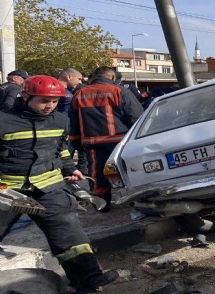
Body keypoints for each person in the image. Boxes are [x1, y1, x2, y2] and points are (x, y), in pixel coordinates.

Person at [0, 75, 118, 292]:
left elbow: (61, 150)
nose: (50, 106)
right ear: (26, 96)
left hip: (49, 188)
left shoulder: (60, 120)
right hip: (8, 191)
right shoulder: (3, 121)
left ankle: (88, 280)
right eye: (43, 101)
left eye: (54, 101)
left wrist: (69, 168)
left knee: (70, 234)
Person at [69, 66, 143, 212]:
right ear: (113, 77)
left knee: (97, 174)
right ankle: (138, 200)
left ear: (93, 77)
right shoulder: (120, 91)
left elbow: (73, 122)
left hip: (92, 142)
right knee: (129, 170)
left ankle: (101, 204)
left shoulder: (80, 94)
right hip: (120, 142)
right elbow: (136, 117)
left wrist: (76, 142)